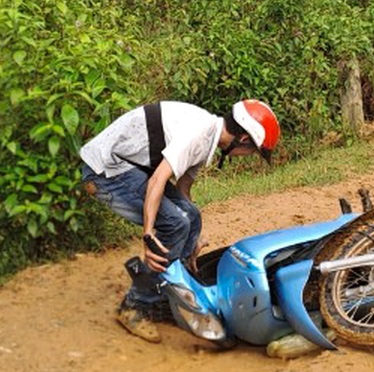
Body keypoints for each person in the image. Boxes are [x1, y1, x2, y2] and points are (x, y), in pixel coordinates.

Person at [79, 98, 280, 342]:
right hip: (106, 170)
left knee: (190, 217)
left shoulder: (207, 138)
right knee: (174, 224)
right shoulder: (198, 134)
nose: (247, 156)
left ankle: (170, 297)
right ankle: (136, 306)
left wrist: (193, 238)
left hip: (132, 167)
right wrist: (149, 234)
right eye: (252, 152)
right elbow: (157, 181)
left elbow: (184, 193)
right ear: (244, 139)